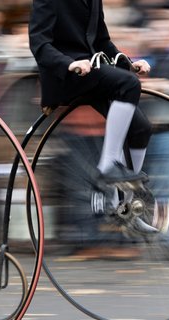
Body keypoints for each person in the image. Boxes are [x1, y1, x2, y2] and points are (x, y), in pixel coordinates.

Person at [29, 0, 153, 217]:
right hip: (66, 76)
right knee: (129, 84)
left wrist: (129, 64)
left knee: (141, 128)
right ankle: (108, 165)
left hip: (93, 72)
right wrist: (68, 63)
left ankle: (125, 206)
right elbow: (39, 44)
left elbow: (102, 41)